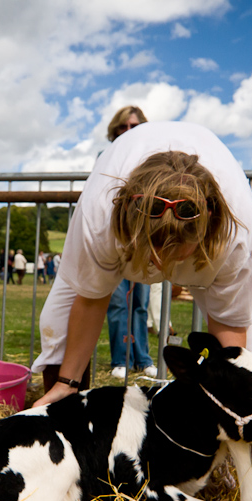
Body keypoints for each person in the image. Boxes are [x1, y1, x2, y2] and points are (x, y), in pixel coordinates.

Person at [31, 121, 252, 407]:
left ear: (209, 220)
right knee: (56, 323)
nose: (161, 264)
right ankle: (63, 412)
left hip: (213, 246)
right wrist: (66, 382)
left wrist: (236, 398)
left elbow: (230, 324)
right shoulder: (98, 219)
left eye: (176, 254)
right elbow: (91, 299)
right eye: (154, 248)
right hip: (119, 231)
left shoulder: (237, 236)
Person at [104, 106, 157, 379]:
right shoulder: (105, 158)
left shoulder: (152, 160)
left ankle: (143, 359)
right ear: (114, 132)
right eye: (122, 127)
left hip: (144, 240)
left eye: (133, 126)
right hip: (114, 239)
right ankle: (119, 360)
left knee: (139, 303)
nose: (128, 131)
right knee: (117, 303)